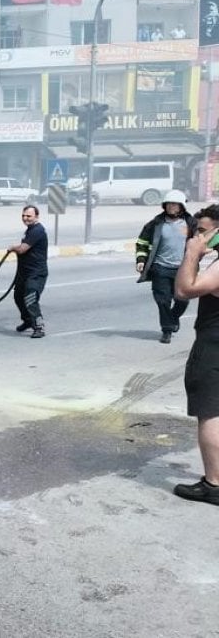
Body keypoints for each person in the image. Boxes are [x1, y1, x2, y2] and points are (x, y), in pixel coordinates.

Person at [171, 214, 219, 506]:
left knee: (210, 412)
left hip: (214, 346)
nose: (196, 237)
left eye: (202, 231)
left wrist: (191, 254)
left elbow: (184, 290)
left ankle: (213, 484)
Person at [136, 190, 197, 344]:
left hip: (183, 269)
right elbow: (142, 242)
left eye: (175, 204)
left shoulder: (191, 224)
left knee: (183, 300)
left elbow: (205, 238)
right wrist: (141, 260)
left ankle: (173, 317)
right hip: (160, 267)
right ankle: (167, 330)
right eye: (169, 204)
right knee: (162, 300)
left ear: (181, 206)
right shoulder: (155, 224)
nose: (171, 207)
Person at [8, 205, 48, 338]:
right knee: (18, 296)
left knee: (30, 298)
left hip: (36, 273)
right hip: (24, 272)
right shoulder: (30, 230)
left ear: (36, 216)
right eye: (23, 215)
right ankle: (28, 321)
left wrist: (13, 247)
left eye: (28, 216)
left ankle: (39, 327)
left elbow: (22, 249)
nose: (25, 218)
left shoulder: (38, 230)